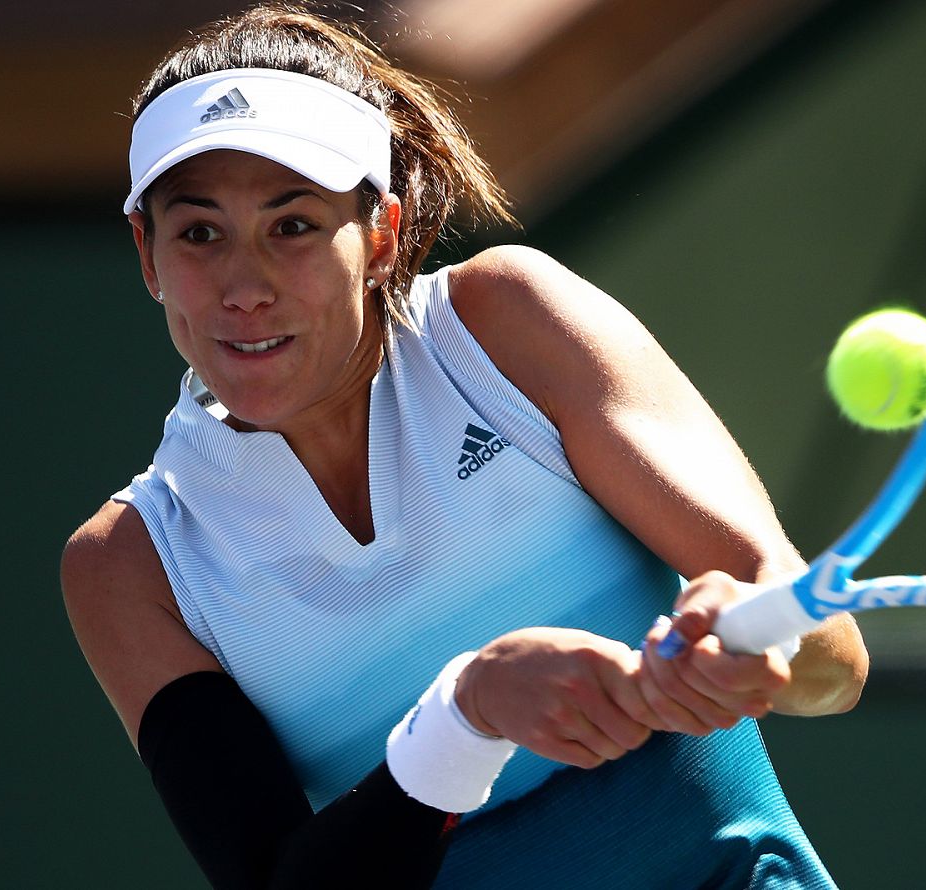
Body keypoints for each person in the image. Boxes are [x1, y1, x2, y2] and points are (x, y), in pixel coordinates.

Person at [61, 4, 868, 888]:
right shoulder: (130, 566)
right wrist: (463, 718)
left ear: (381, 233)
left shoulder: (504, 326)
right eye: (199, 233)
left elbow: (831, 655)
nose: (243, 288)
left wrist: (762, 647)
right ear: (147, 254)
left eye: (292, 225)